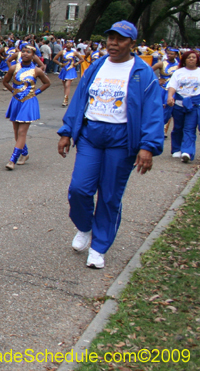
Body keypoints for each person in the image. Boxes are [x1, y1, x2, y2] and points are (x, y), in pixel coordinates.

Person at [58, 21, 162, 269]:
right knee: (79, 189)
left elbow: (153, 111)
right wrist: (66, 132)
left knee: (109, 195)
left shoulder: (142, 72)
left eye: (121, 39)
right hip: (91, 135)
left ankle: (99, 247)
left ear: (132, 44)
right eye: (111, 38)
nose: (113, 44)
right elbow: (79, 100)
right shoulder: (96, 66)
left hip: (121, 140)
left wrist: (148, 146)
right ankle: (85, 227)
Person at [2, 43, 50, 170]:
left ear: (33, 56)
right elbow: (5, 81)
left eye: (28, 52)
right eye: (23, 51)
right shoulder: (14, 68)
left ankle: (12, 160)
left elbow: (47, 83)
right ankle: (24, 153)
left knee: (22, 132)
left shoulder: (37, 70)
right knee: (16, 132)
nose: (25, 54)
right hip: (16, 101)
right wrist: (13, 91)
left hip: (29, 101)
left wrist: (36, 92)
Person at [166, 50, 200, 162]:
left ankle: (187, 152)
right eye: (189, 57)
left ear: (197, 60)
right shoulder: (178, 72)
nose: (191, 59)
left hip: (194, 105)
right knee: (178, 127)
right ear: (184, 60)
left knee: (189, 129)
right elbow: (172, 86)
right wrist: (170, 96)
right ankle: (176, 149)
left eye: (194, 57)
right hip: (179, 105)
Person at [152, 47, 180, 136]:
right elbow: (149, 71)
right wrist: (157, 80)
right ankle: (157, 128)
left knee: (169, 109)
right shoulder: (161, 63)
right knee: (160, 108)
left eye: (172, 54)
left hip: (173, 89)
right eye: (168, 53)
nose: (169, 55)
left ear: (176, 55)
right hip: (162, 89)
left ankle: (163, 129)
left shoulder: (179, 65)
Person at [53, 41, 84, 107]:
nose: (69, 44)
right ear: (65, 44)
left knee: (67, 85)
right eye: (67, 43)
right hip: (64, 69)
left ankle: (65, 100)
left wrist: (76, 64)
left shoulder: (74, 53)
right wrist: (60, 64)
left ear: (72, 45)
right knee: (65, 86)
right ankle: (66, 98)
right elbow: (54, 59)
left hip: (71, 69)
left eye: (70, 43)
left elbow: (82, 59)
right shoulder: (62, 52)